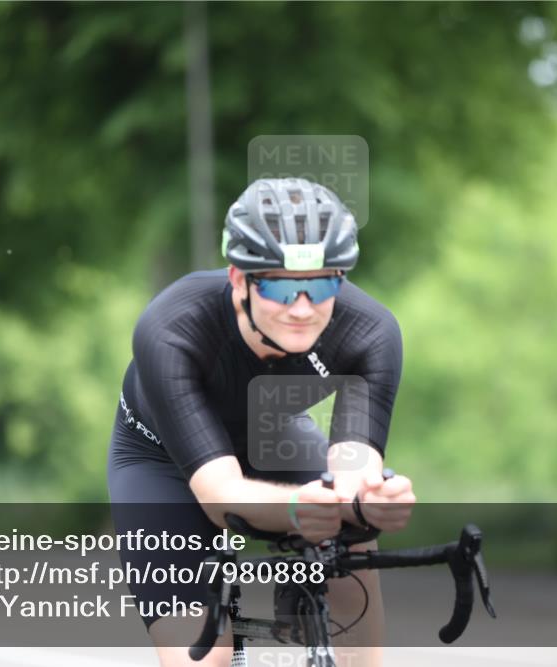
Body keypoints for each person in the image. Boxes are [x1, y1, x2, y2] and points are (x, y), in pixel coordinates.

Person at [107, 178, 415, 667]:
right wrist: (297, 507)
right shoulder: (171, 326)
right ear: (238, 279)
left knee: (353, 553)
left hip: (273, 436)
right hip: (159, 461)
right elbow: (220, 496)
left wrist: (367, 499)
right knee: (204, 658)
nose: (302, 308)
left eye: (322, 284)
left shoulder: (369, 333)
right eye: (279, 286)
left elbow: (353, 468)